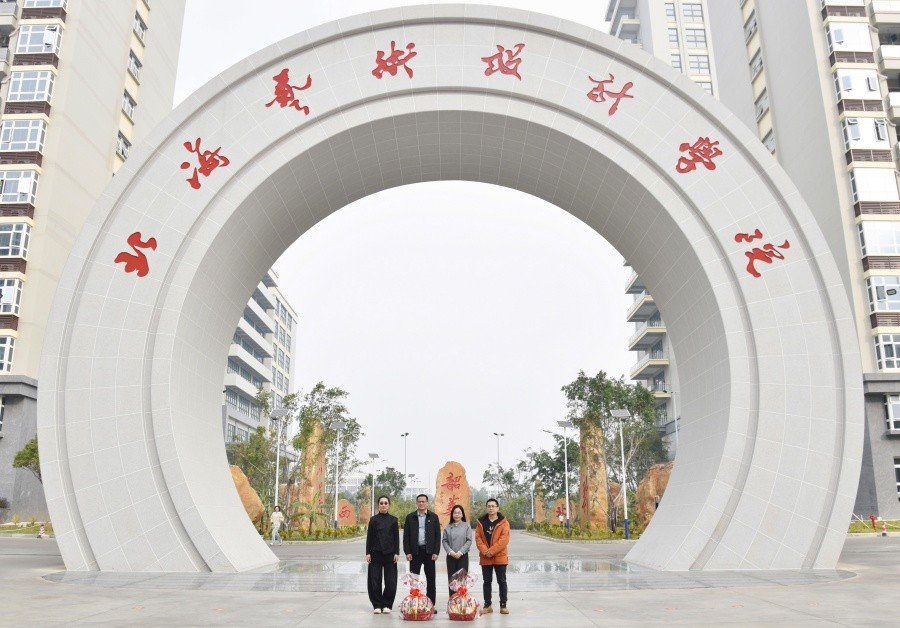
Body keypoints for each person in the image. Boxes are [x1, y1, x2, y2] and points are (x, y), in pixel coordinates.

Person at [403, 493, 441, 610]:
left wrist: (436, 552)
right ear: (416, 503)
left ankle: (431, 605)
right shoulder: (410, 517)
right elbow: (406, 536)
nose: (421, 503)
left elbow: (437, 536)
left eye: (423, 501)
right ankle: (414, 604)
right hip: (415, 553)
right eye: (419, 501)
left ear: (427, 503)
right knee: (414, 580)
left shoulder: (433, 517)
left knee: (431, 580)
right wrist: (407, 552)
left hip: (429, 553)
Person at [475, 498, 510, 615]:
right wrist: (486, 552)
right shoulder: (481, 522)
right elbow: (478, 539)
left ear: (497, 508)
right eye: (489, 506)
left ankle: (503, 605)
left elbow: (504, 540)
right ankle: (487, 605)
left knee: (502, 581)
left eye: (493, 506)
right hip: (485, 557)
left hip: (500, 557)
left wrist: (492, 551)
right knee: (487, 581)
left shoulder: (504, 522)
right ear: (486, 508)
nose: (491, 508)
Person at [366, 495, 400, 614]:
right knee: (375, 580)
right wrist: (368, 553)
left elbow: (396, 538)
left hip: (390, 554)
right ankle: (377, 604)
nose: (383, 505)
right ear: (378, 505)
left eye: (386, 503)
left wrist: (397, 552)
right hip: (375, 553)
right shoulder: (373, 520)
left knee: (391, 581)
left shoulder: (393, 520)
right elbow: (369, 537)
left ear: (389, 505)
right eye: (381, 503)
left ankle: (387, 604)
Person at [441, 504, 473, 598]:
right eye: (455, 513)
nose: (457, 515)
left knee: (462, 579)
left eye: (459, 513)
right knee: (452, 579)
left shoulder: (466, 526)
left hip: (462, 556)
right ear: (452, 514)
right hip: (451, 556)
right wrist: (450, 552)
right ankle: (453, 600)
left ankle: (462, 599)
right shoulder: (448, 527)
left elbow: (469, 541)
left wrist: (460, 552)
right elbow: (444, 541)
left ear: (462, 514)